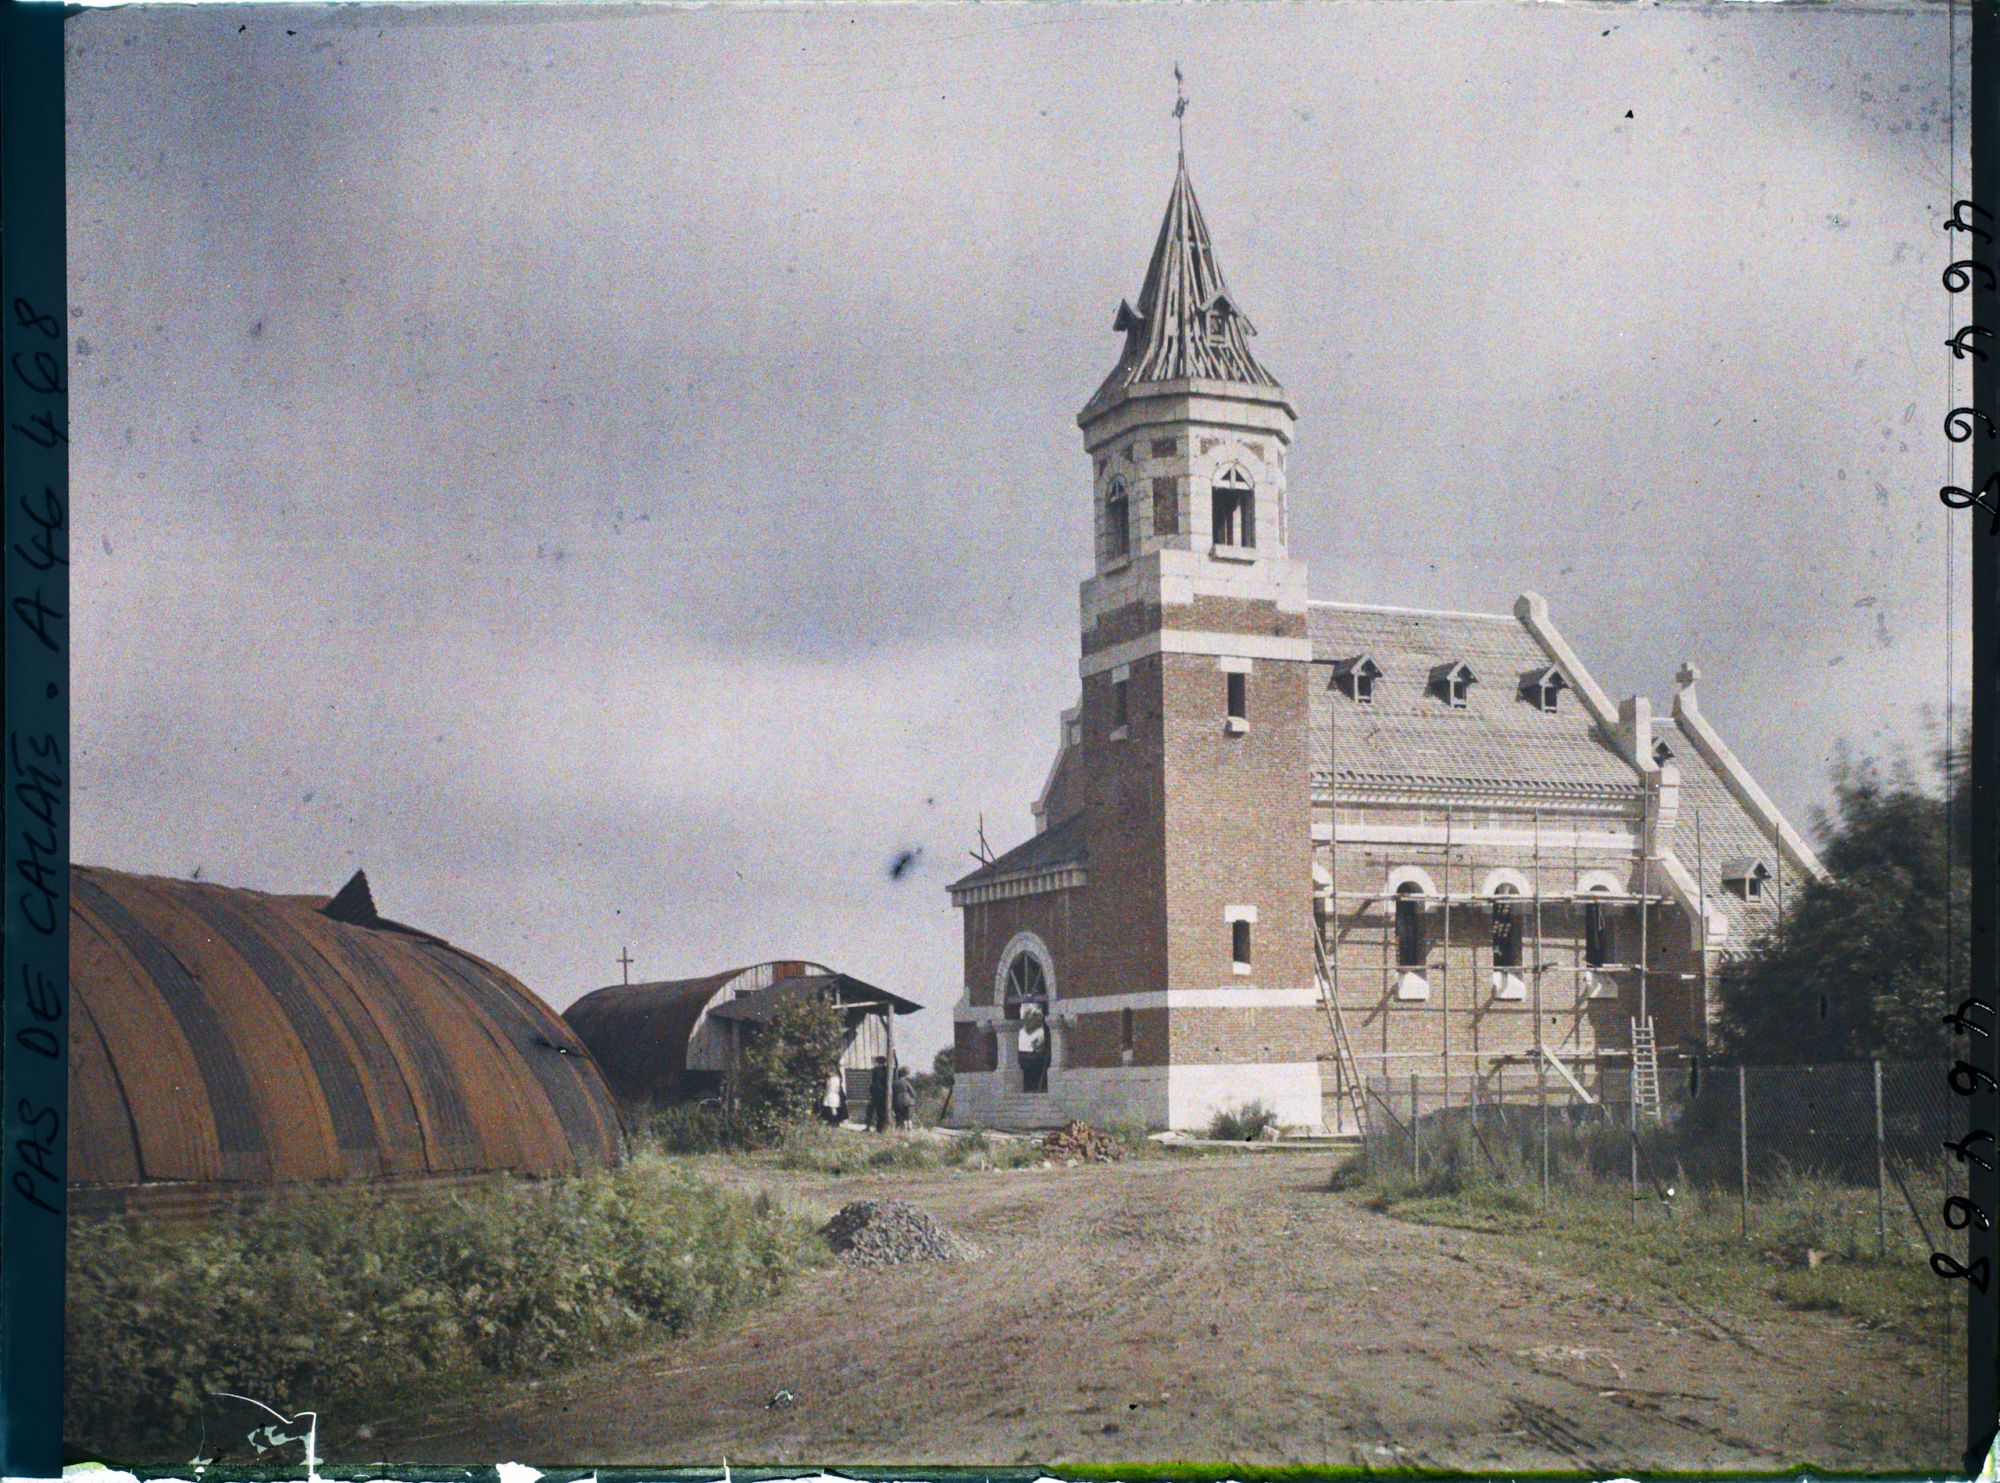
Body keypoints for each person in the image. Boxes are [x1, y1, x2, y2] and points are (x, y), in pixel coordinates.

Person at [866, 1054, 890, 1132]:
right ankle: (879, 1128)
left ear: (878, 1062)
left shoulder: (876, 1070)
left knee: (871, 1110)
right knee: (881, 1111)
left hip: (876, 1093)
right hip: (884, 1093)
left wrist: (873, 1090)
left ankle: (868, 1126)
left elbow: (875, 1082)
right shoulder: (887, 1070)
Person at [891, 1065, 916, 1130]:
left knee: (902, 1118)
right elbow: (913, 1093)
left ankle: (904, 1131)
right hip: (909, 1102)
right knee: (909, 1118)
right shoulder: (906, 1083)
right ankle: (910, 1130)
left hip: (898, 1103)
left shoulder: (893, 1083)